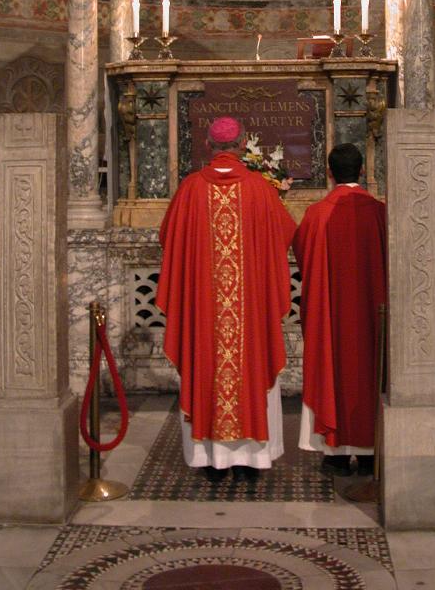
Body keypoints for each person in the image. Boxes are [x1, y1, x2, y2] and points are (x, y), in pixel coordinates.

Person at [156, 116, 296, 484]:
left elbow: (167, 237)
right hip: (250, 314)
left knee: (206, 364)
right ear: (241, 145)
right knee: (251, 363)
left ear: (208, 145)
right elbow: (286, 234)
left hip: (204, 313)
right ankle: (252, 461)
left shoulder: (189, 190)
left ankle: (211, 461)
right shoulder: (260, 189)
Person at [293, 143, 386, 476]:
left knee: (331, 368)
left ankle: (333, 453)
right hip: (370, 314)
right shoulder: (379, 212)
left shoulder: (316, 214)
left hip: (329, 314)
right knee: (370, 370)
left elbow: (303, 257)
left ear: (329, 173)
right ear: (362, 171)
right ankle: (370, 452)